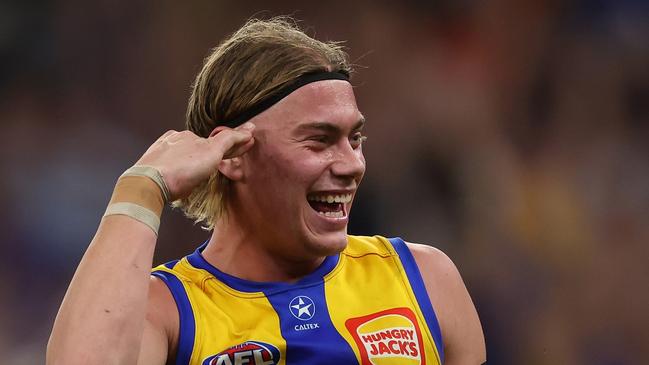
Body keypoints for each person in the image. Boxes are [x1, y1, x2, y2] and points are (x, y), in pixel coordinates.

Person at [47, 17, 485, 365]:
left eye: (355, 139)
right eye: (318, 140)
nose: (352, 165)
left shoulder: (424, 279)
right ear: (233, 155)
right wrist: (142, 190)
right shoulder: (169, 312)